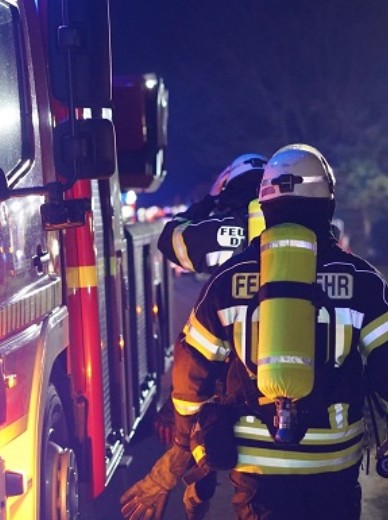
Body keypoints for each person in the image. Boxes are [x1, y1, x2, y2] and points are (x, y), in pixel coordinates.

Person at [124, 144, 388, 520]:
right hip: (333, 460)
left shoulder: (229, 278)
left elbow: (192, 372)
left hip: (256, 466)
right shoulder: (360, 279)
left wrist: (185, 442)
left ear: (264, 203)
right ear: (327, 201)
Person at [134, 153, 267, 520]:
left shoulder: (226, 225)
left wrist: (206, 204)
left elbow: (170, 239)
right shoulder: (293, 229)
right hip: (280, 364)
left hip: (227, 359)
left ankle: (198, 488)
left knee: (199, 419)